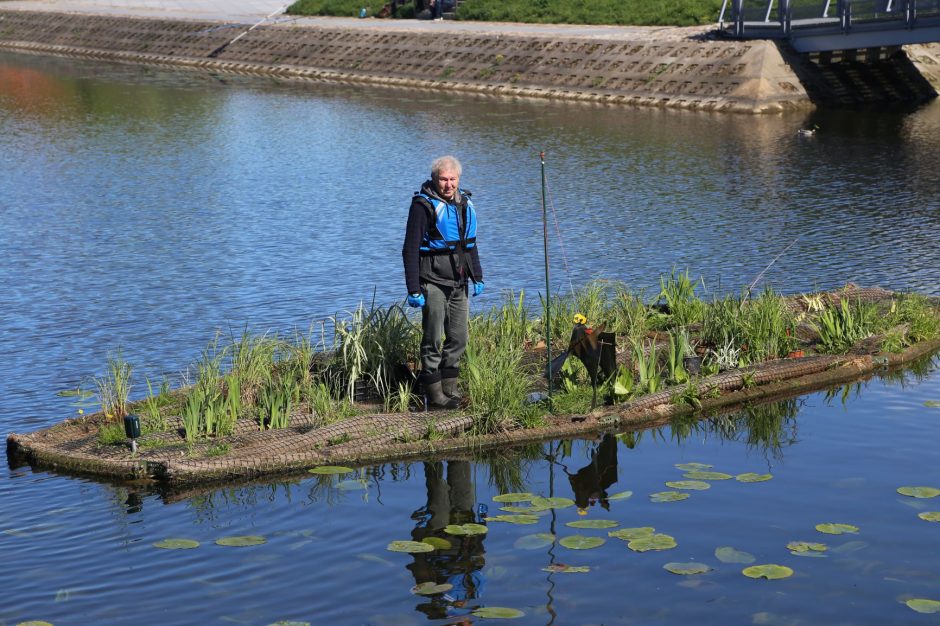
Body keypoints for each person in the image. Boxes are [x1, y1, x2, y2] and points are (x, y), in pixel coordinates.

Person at [402, 156, 484, 409]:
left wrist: (477, 276)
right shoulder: (422, 206)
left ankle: (450, 390)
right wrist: (413, 288)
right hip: (433, 280)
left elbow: (468, 244)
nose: (448, 185)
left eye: (452, 179)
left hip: (459, 281)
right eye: (443, 179)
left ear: (458, 179)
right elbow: (410, 249)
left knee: (459, 337)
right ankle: (435, 397)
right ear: (435, 179)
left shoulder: (464, 203)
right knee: (433, 338)